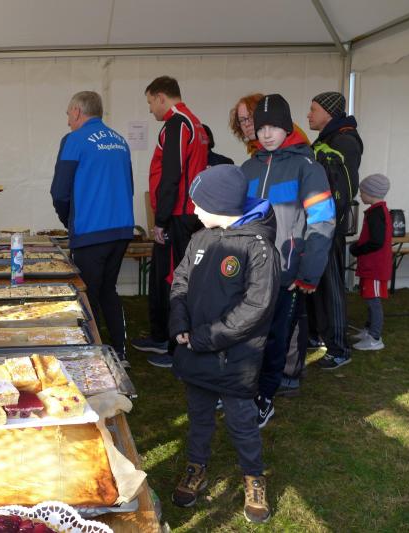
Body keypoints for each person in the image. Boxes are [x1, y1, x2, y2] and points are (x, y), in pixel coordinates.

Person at [169, 164, 279, 524]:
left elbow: (256, 308)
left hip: (235, 358)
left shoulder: (258, 248)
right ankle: (196, 467)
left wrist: (205, 337)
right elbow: (181, 281)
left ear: (221, 206)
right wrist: (180, 323)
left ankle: (253, 477)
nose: (194, 210)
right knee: (199, 416)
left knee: (242, 422)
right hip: (196, 352)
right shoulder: (200, 239)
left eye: (199, 204)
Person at [241, 94, 335, 427]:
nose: (266, 134)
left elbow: (322, 221)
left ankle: (265, 397)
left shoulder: (307, 168)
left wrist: (308, 272)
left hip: (286, 273)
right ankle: (242, 389)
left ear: (287, 127)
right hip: (249, 273)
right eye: (261, 127)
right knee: (244, 335)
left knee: (275, 337)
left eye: (274, 127)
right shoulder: (248, 168)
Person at [50, 91, 134, 363]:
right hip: (121, 229)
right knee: (108, 290)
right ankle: (120, 352)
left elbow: (59, 192)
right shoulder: (120, 141)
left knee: (87, 295)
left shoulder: (74, 140)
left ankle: (93, 355)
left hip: (91, 231)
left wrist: (69, 221)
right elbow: (130, 186)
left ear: (77, 111)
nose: (67, 121)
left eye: (67, 114)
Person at [131, 76, 208, 367]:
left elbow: (171, 175)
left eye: (150, 102)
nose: (150, 109)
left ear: (161, 97)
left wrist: (161, 220)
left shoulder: (178, 123)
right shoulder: (193, 122)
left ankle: (178, 349)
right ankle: (161, 336)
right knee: (164, 277)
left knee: (175, 281)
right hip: (182, 214)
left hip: (178, 215)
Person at [307, 91, 365, 369]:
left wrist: (328, 221)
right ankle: (320, 335)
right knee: (317, 284)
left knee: (331, 287)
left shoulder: (343, 141)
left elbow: (343, 189)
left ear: (329, 113)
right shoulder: (328, 139)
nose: (309, 115)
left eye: (313, 109)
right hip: (319, 223)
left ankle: (339, 348)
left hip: (328, 226)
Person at [349, 174, 392, 351]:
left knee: (373, 301)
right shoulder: (377, 211)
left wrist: (357, 249)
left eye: (362, 192)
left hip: (375, 267)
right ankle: (368, 330)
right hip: (372, 266)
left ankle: (375, 338)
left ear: (371, 193)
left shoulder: (376, 214)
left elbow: (376, 242)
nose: (360, 195)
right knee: (369, 298)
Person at [229, 93, 310, 156]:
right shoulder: (255, 146)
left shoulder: (294, 143)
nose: (247, 124)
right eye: (242, 120)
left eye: (251, 117)